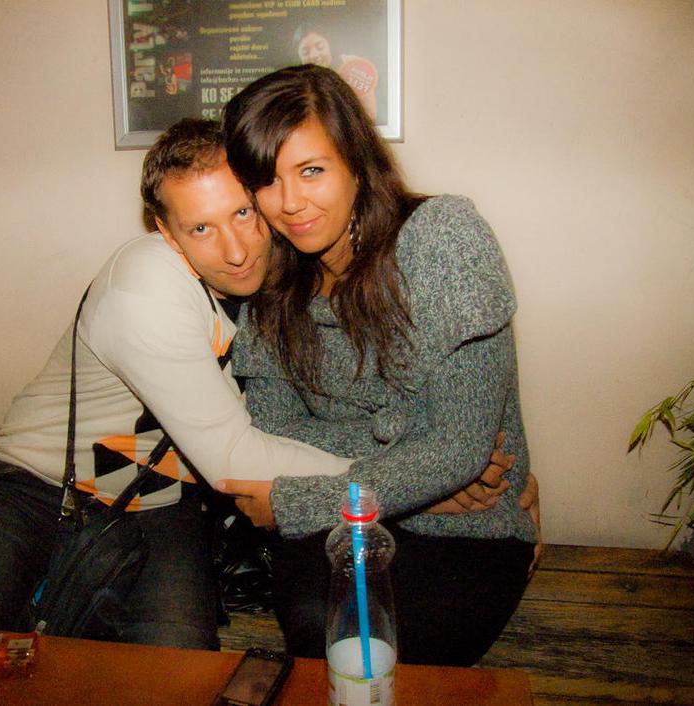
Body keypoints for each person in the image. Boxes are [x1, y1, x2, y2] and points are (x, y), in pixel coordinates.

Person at [0, 118, 520, 650]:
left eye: (242, 213)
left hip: (165, 504)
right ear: (165, 231)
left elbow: (321, 416)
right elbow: (236, 456)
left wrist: (452, 467)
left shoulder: (289, 276)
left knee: (180, 666)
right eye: (201, 228)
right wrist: (414, 484)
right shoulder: (145, 293)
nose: (235, 251)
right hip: (34, 485)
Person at [219, 64, 539, 666]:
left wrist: (299, 501)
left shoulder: (443, 240)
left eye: (311, 170)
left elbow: (461, 450)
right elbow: (275, 432)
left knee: (382, 647)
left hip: (468, 529)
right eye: (266, 180)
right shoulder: (269, 286)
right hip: (347, 528)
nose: (290, 203)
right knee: (322, 628)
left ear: (356, 161)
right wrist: (412, 463)